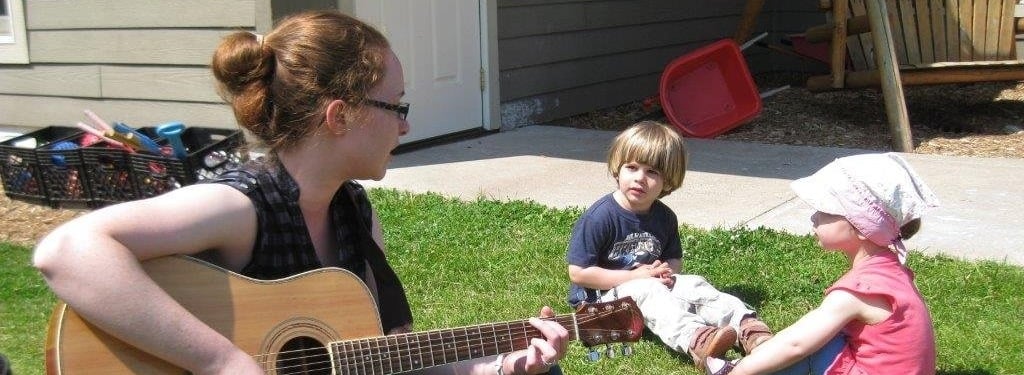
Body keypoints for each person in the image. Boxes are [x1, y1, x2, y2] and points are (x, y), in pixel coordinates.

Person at [33, 10, 567, 375]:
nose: (405, 127)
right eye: (397, 106)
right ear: (341, 115)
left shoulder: (355, 214)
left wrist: (491, 364)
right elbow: (66, 252)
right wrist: (222, 361)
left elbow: (390, 355)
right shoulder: (239, 205)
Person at [705, 152, 940, 375]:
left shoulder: (859, 290)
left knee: (815, 344)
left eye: (825, 211)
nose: (814, 217)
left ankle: (739, 368)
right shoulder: (892, 271)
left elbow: (796, 344)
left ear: (861, 227)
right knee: (826, 335)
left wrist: (743, 370)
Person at [565, 121, 774, 369]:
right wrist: (634, 278)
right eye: (632, 168)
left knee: (693, 283)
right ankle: (697, 340)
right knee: (648, 290)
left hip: (648, 285)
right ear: (617, 170)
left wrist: (666, 273)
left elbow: (674, 260)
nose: (640, 178)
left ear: (668, 180)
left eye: (652, 172)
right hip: (600, 309)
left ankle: (748, 328)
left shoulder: (664, 217)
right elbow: (578, 273)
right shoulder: (600, 217)